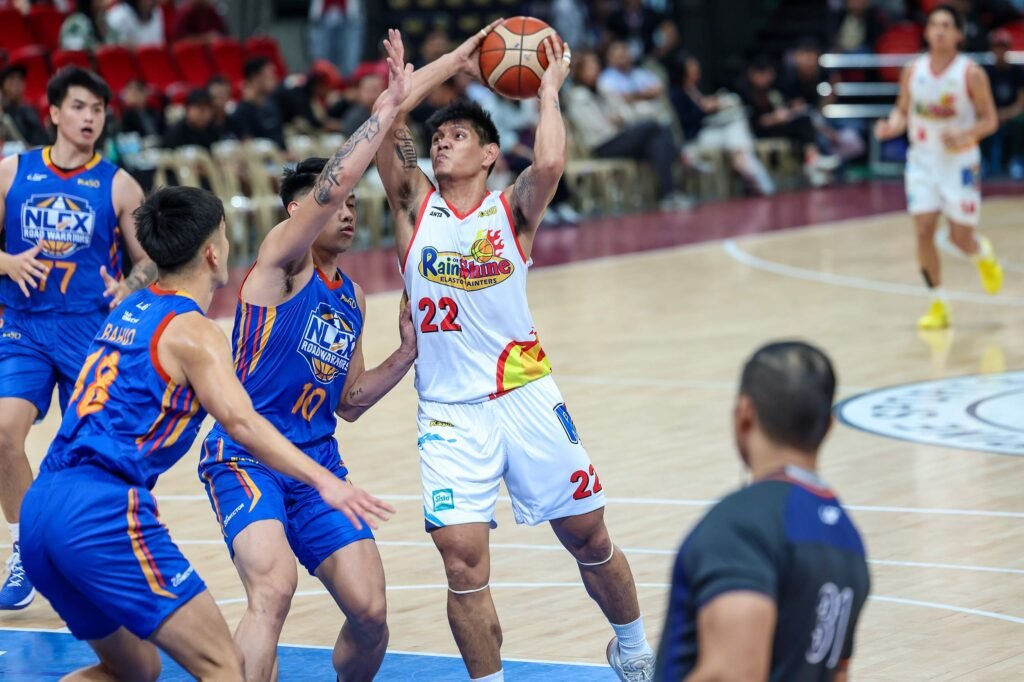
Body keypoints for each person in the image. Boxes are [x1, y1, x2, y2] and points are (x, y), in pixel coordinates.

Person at [19, 185, 394, 681]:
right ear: (214, 252)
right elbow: (242, 423)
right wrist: (326, 481)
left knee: (132, 670)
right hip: (101, 509)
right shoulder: (194, 331)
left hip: (40, 506)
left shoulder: (127, 310)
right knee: (223, 667)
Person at [374, 28, 656, 682]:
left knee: (588, 536)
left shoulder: (511, 213)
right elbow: (389, 124)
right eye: (438, 137)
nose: (443, 141)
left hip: (525, 393)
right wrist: (431, 73)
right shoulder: (416, 208)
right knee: (462, 562)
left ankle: (634, 650)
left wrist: (549, 90)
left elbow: (551, 166)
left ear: (491, 155)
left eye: (459, 136)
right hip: (449, 413)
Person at [199, 34, 414, 682]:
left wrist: (408, 353)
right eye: (337, 204)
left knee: (372, 614)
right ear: (301, 213)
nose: (348, 212)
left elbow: (348, 402)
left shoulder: (350, 298)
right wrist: (384, 114)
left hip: (318, 461)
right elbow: (331, 184)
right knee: (274, 591)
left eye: (353, 206)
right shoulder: (280, 266)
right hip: (248, 456)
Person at [0, 66, 155, 610]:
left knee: (86, 456)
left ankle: (86, 557)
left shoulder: (117, 183)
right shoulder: (12, 173)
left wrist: (128, 287)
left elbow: (149, 261)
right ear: (54, 113)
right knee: (2, 434)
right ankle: (24, 550)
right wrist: (5, 260)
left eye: (98, 109)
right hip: (24, 328)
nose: (90, 118)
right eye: (81, 107)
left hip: (93, 334)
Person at [655, 341, 871, 682]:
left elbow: (733, 674)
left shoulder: (741, 525)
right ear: (828, 426)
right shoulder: (848, 540)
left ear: (745, 414)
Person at [874, 4, 1002, 330]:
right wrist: (892, 125)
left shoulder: (971, 73)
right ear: (927, 32)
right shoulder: (912, 71)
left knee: (960, 238)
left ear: (959, 34)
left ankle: (981, 253)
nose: (940, 31)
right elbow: (902, 110)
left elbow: (990, 121)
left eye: (947, 25)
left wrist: (964, 132)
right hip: (922, 161)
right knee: (923, 229)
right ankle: (938, 302)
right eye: (934, 25)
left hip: (959, 162)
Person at [566, 50, 691, 210]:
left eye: (596, 65)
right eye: (590, 67)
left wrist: (620, 119)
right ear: (580, 72)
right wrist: (617, 121)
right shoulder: (576, 97)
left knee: (656, 142)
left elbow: (626, 113)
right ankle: (680, 154)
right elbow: (594, 127)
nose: (595, 69)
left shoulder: (604, 90)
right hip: (602, 144)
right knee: (652, 126)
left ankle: (669, 195)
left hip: (619, 136)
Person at [670, 53, 775, 195]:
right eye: (692, 68)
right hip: (695, 138)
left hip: (708, 132)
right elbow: (687, 122)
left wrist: (714, 105)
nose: (696, 70)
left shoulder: (694, 91)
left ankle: (742, 160)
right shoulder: (677, 94)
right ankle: (747, 166)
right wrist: (705, 109)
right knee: (735, 125)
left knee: (736, 120)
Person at [981, 28, 1024, 178]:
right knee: (979, 122)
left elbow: (1021, 102)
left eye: (1003, 47)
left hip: (1012, 114)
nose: (999, 51)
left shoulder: (1017, 71)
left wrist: (1006, 114)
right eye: (997, 47)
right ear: (991, 49)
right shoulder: (985, 72)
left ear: (1008, 49)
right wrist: (993, 115)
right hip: (990, 114)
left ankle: (1017, 160)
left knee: (1022, 122)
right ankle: (983, 161)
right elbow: (980, 101)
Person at [231, 57, 287, 149]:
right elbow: (249, 149)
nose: (274, 79)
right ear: (255, 78)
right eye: (270, 76)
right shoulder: (241, 112)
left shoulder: (272, 104)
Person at [1, 64, 50, 146]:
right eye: (12, 81)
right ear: (3, 86)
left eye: (19, 80)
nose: (16, 85)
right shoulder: (3, 114)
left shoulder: (32, 110)